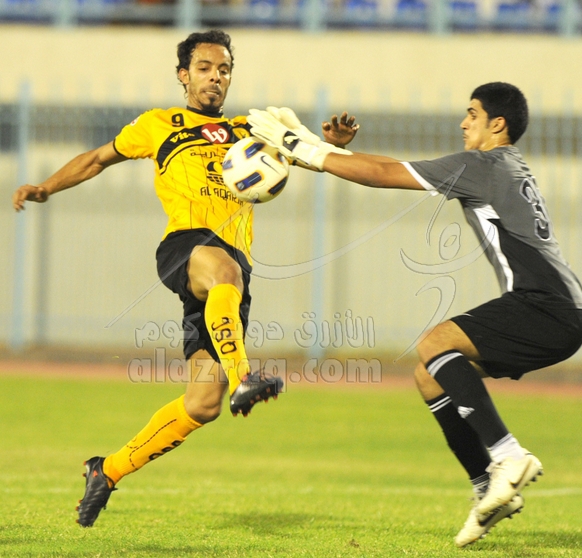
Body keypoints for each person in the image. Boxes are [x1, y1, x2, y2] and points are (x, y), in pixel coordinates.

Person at [12, 30, 358, 528]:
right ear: (183, 75)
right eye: (204, 68)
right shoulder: (158, 125)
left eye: (224, 69)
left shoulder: (250, 129)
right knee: (223, 271)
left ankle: (106, 471)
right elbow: (96, 159)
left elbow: (307, 158)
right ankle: (245, 377)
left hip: (230, 276)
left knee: (203, 403)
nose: (215, 77)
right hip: (186, 248)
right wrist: (46, 187)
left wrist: (330, 146)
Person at [247, 82, 582, 547]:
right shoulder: (500, 166)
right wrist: (318, 148)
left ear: (497, 124)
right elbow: (383, 169)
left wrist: (296, 144)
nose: (464, 122)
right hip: (559, 309)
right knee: (430, 374)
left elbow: (381, 175)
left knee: (435, 342)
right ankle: (487, 486)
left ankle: (509, 455)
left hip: (546, 306)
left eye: (472, 114)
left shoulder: (483, 165)